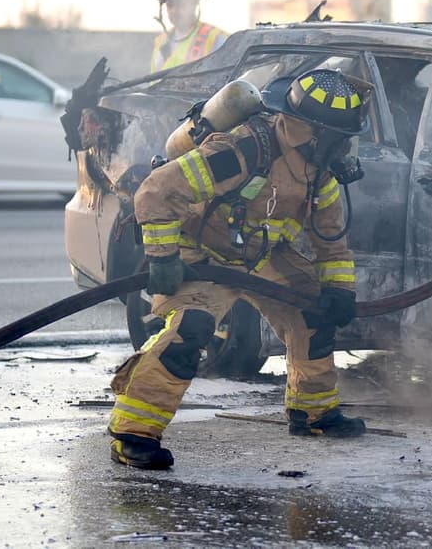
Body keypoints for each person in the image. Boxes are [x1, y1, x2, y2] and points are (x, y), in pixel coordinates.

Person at [107, 68, 372, 469]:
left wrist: (338, 290)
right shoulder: (240, 151)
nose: (344, 147)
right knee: (190, 331)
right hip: (203, 255)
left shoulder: (319, 171)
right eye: (338, 137)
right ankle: (133, 435)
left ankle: (314, 412)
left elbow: (331, 239)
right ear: (308, 130)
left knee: (314, 313)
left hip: (262, 255)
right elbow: (157, 192)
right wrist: (163, 259)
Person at [150, 0, 229, 73]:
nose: (174, 10)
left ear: (195, 2)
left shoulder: (217, 39)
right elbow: (154, 81)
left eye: (180, 3)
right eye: (170, 4)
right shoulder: (160, 42)